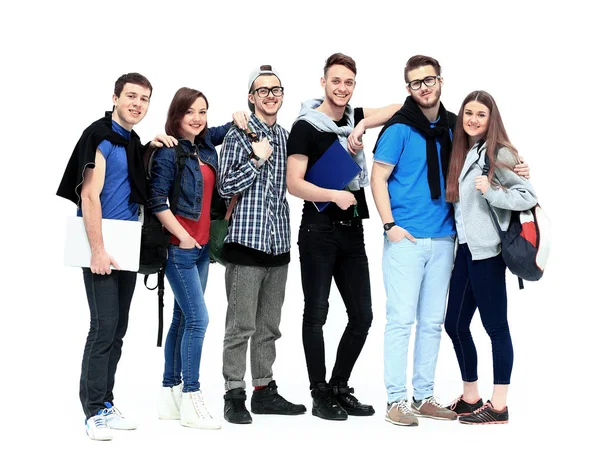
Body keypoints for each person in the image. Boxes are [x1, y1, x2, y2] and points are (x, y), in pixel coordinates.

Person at [371, 56, 530, 427]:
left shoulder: (453, 127)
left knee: (431, 322)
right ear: (408, 88)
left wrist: (518, 170)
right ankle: (397, 400)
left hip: (447, 241)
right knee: (401, 320)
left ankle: (424, 395)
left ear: (440, 81)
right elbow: (377, 178)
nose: (424, 87)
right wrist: (390, 224)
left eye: (429, 80)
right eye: (415, 83)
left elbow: (504, 164)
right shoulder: (398, 129)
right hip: (406, 238)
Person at [286, 53, 401, 421]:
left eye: (349, 83)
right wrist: (334, 194)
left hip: (352, 230)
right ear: (323, 82)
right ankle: (319, 393)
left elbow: (399, 106)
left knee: (363, 315)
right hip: (318, 230)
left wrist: (361, 125)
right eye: (336, 81)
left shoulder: (353, 116)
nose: (342, 88)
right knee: (316, 313)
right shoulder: (306, 126)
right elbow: (294, 183)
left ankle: (339, 385)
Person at [57, 73, 156, 440]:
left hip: (127, 244)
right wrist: (98, 251)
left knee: (118, 329)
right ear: (115, 97)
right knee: (102, 327)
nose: (137, 104)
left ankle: (106, 401)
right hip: (102, 245)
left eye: (144, 99)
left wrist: (152, 145)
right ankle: (92, 412)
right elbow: (89, 197)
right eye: (131, 96)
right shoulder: (99, 136)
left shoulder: (131, 142)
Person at [148, 87, 248, 430]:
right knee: (199, 321)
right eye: (190, 111)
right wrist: (185, 237)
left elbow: (223, 129)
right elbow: (157, 202)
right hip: (181, 250)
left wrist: (237, 116)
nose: (197, 118)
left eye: (202, 111)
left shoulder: (204, 146)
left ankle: (169, 394)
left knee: (181, 319)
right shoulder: (168, 152)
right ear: (176, 115)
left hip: (203, 249)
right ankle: (191, 397)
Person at [218, 65, 306, 425]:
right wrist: (257, 158)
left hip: (279, 245)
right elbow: (225, 187)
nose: (271, 95)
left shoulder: (287, 137)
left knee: (269, 326)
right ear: (251, 98)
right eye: (263, 91)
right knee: (241, 326)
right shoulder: (239, 134)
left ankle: (264, 390)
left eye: (276, 90)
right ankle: (233, 393)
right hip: (245, 245)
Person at [443, 90, 536, 425]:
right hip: (466, 251)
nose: (473, 119)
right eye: (468, 113)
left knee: (495, 326)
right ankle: (471, 397)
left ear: (490, 118)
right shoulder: (465, 151)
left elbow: (527, 195)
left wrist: (493, 191)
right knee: (454, 323)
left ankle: (499, 406)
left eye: (480, 114)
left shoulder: (499, 152)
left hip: (489, 254)